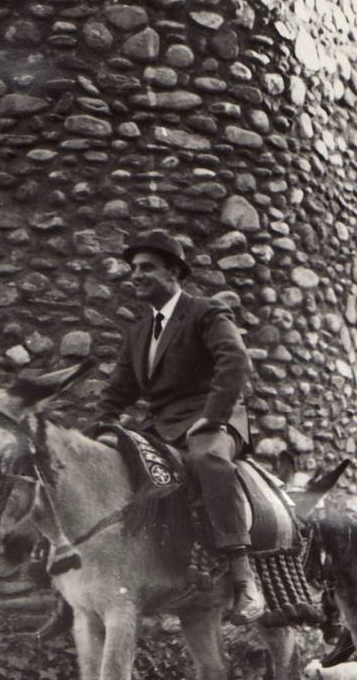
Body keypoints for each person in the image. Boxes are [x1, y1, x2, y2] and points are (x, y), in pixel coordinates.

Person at [95, 230, 263, 626]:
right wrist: (100, 426)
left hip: (212, 417)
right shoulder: (138, 333)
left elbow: (234, 361)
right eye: (133, 269)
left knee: (208, 461)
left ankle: (242, 574)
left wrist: (215, 415)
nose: (136, 275)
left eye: (147, 268)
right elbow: (118, 390)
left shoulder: (205, 312)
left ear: (174, 272)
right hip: (162, 426)